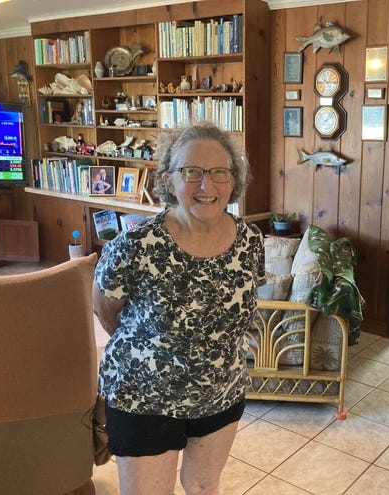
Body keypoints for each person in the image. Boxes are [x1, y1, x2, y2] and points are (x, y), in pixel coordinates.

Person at [92, 123, 265, 495]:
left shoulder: (250, 241)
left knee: (204, 486)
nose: (208, 185)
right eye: (192, 172)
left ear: (234, 180)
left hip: (220, 393)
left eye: (220, 172)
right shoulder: (135, 244)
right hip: (143, 398)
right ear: (170, 180)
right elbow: (105, 310)